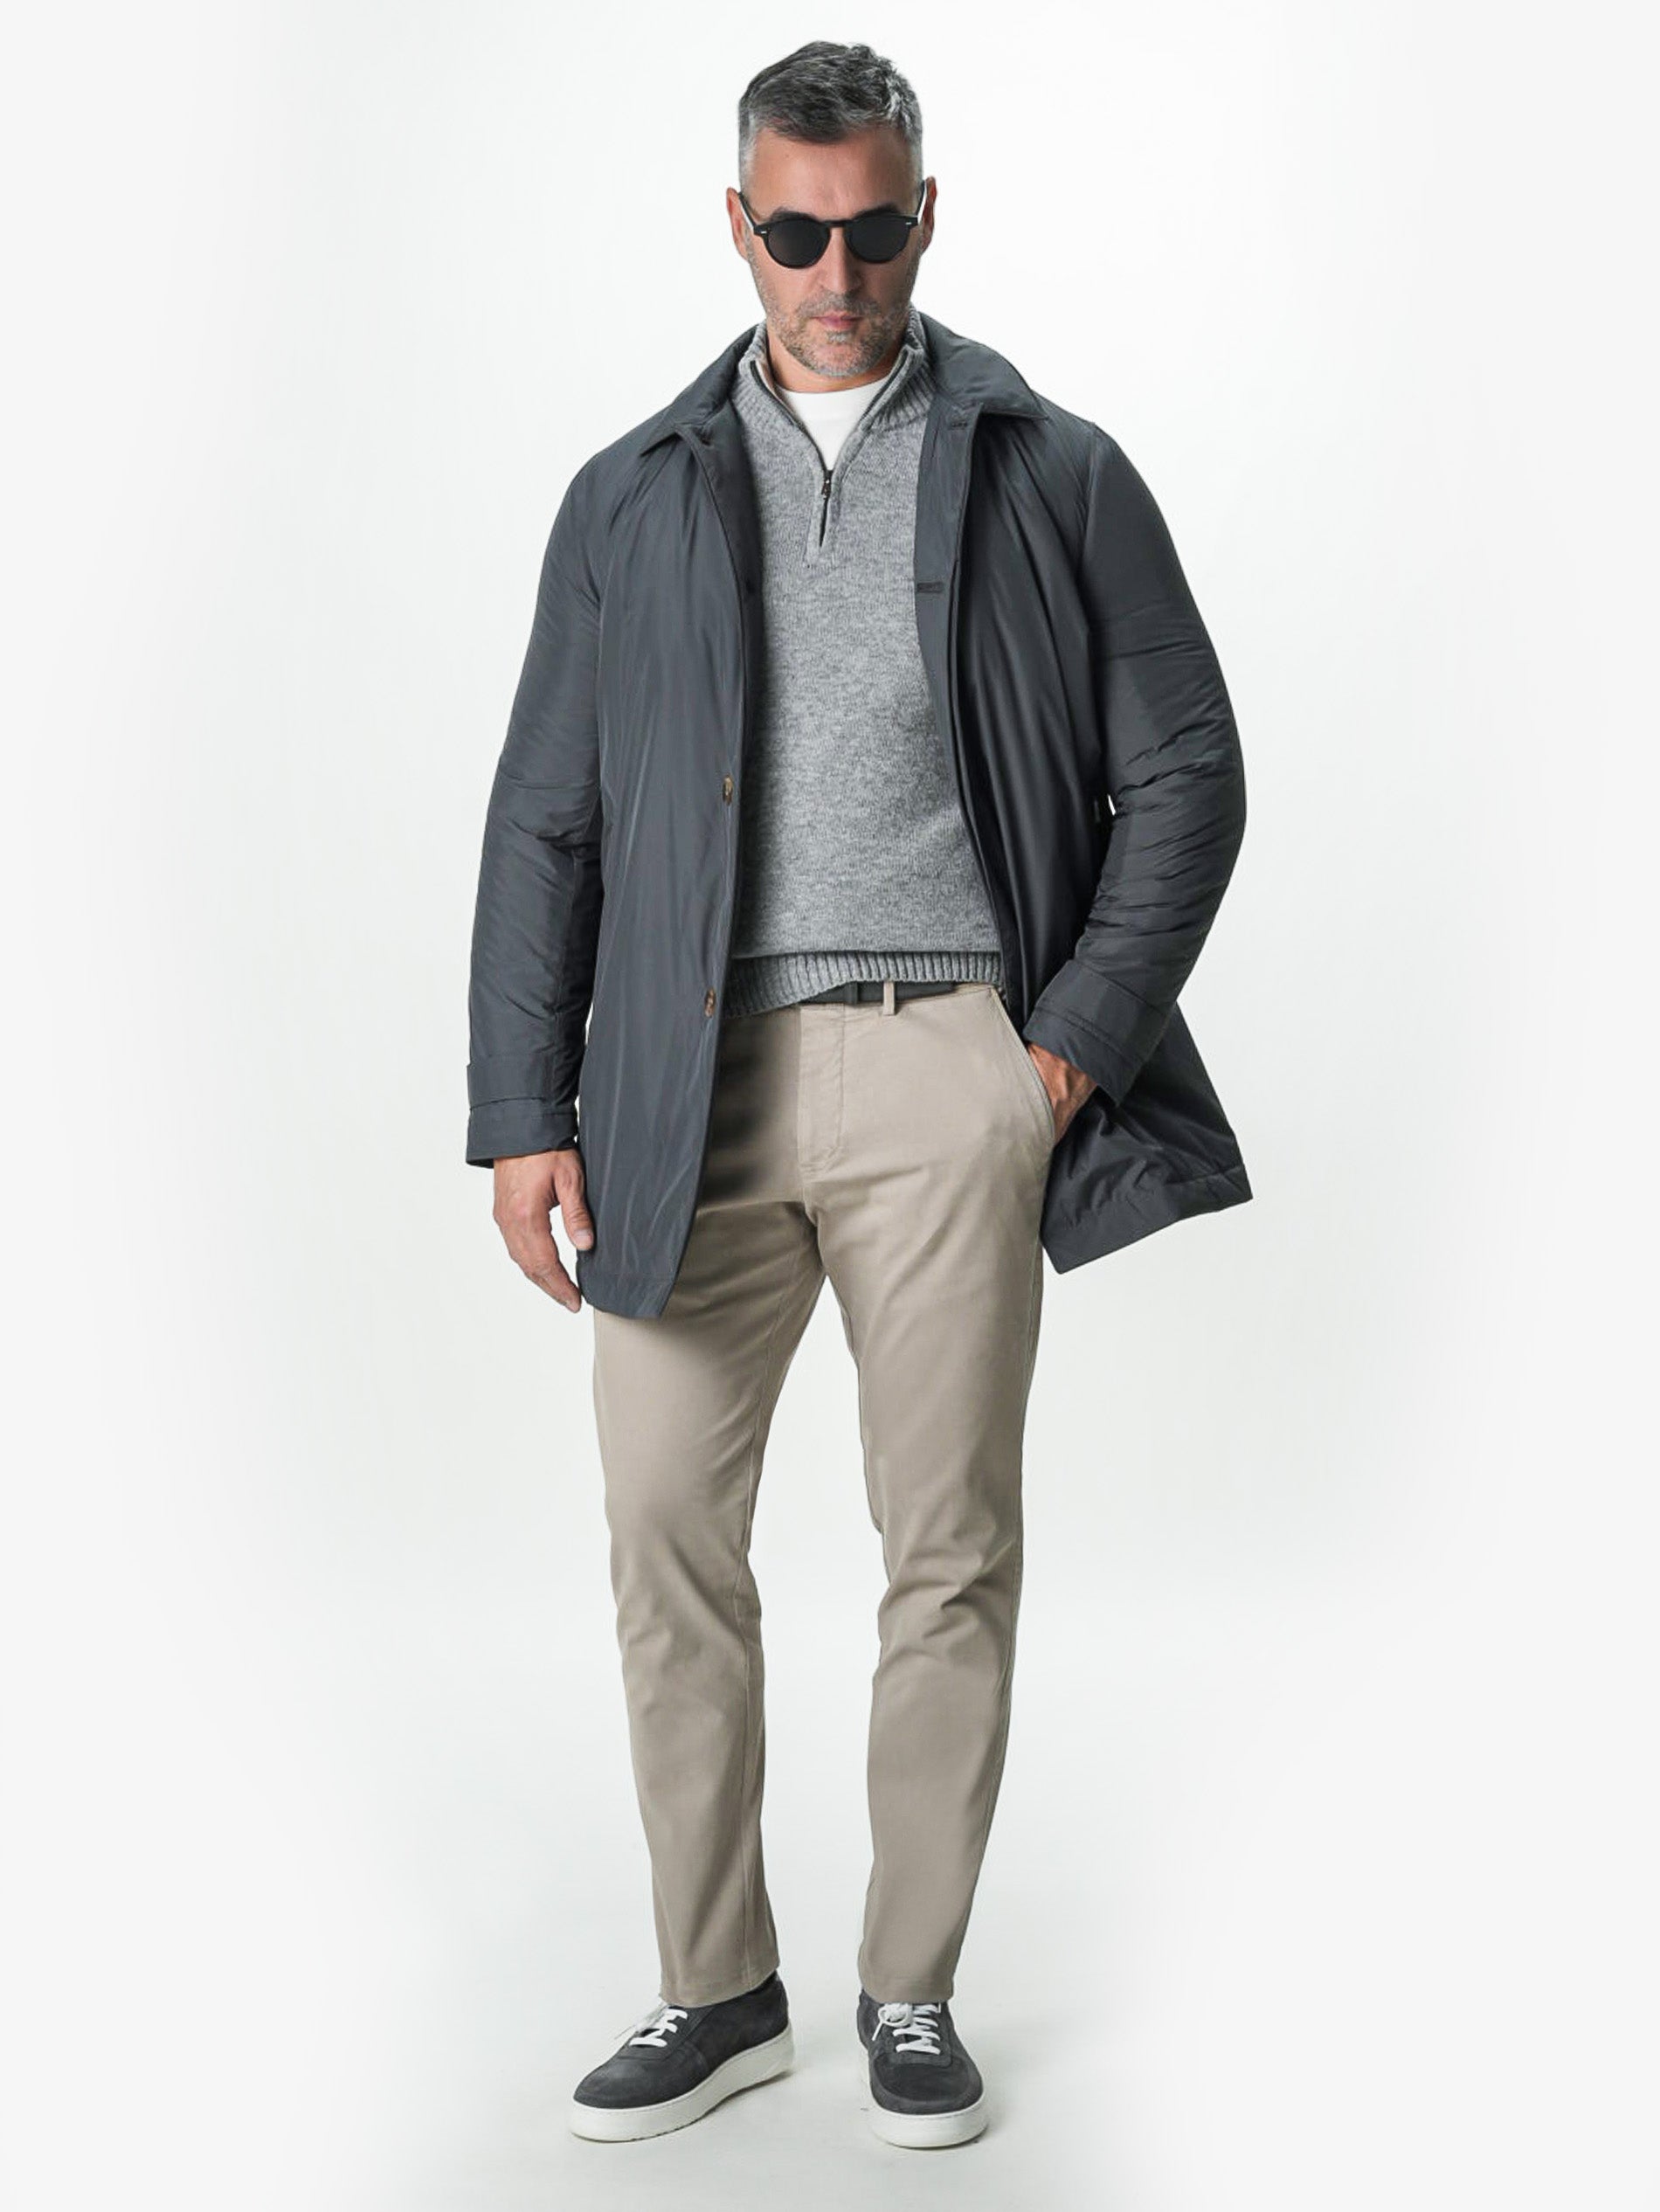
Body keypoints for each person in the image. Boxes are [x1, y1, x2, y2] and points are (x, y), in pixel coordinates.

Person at [464, 38, 1250, 2150]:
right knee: (661, 1528)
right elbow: (545, 818)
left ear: (924, 216)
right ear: (738, 226)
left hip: (947, 1065)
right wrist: (519, 1109)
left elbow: (1186, 772)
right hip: (678, 1082)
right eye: (796, 232)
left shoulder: (1049, 469)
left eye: (873, 227)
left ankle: (909, 1989)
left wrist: (1055, 1052)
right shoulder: (628, 494)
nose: (836, 272)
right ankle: (715, 1988)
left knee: (947, 1544)